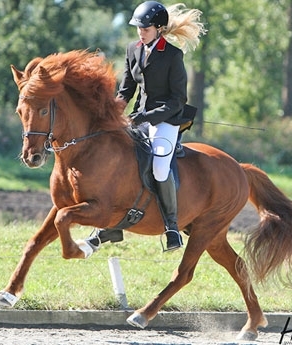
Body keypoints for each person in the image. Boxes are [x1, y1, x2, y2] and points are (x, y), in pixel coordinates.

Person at [86, 1, 206, 252]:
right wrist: (112, 111)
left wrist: (144, 117)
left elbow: (177, 100)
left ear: (159, 29)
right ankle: (112, 226)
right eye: (138, 27)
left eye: (146, 28)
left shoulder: (173, 55)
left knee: (160, 168)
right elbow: (127, 89)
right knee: (117, 158)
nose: (141, 31)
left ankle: (172, 227)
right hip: (137, 118)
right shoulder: (133, 49)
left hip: (166, 121)